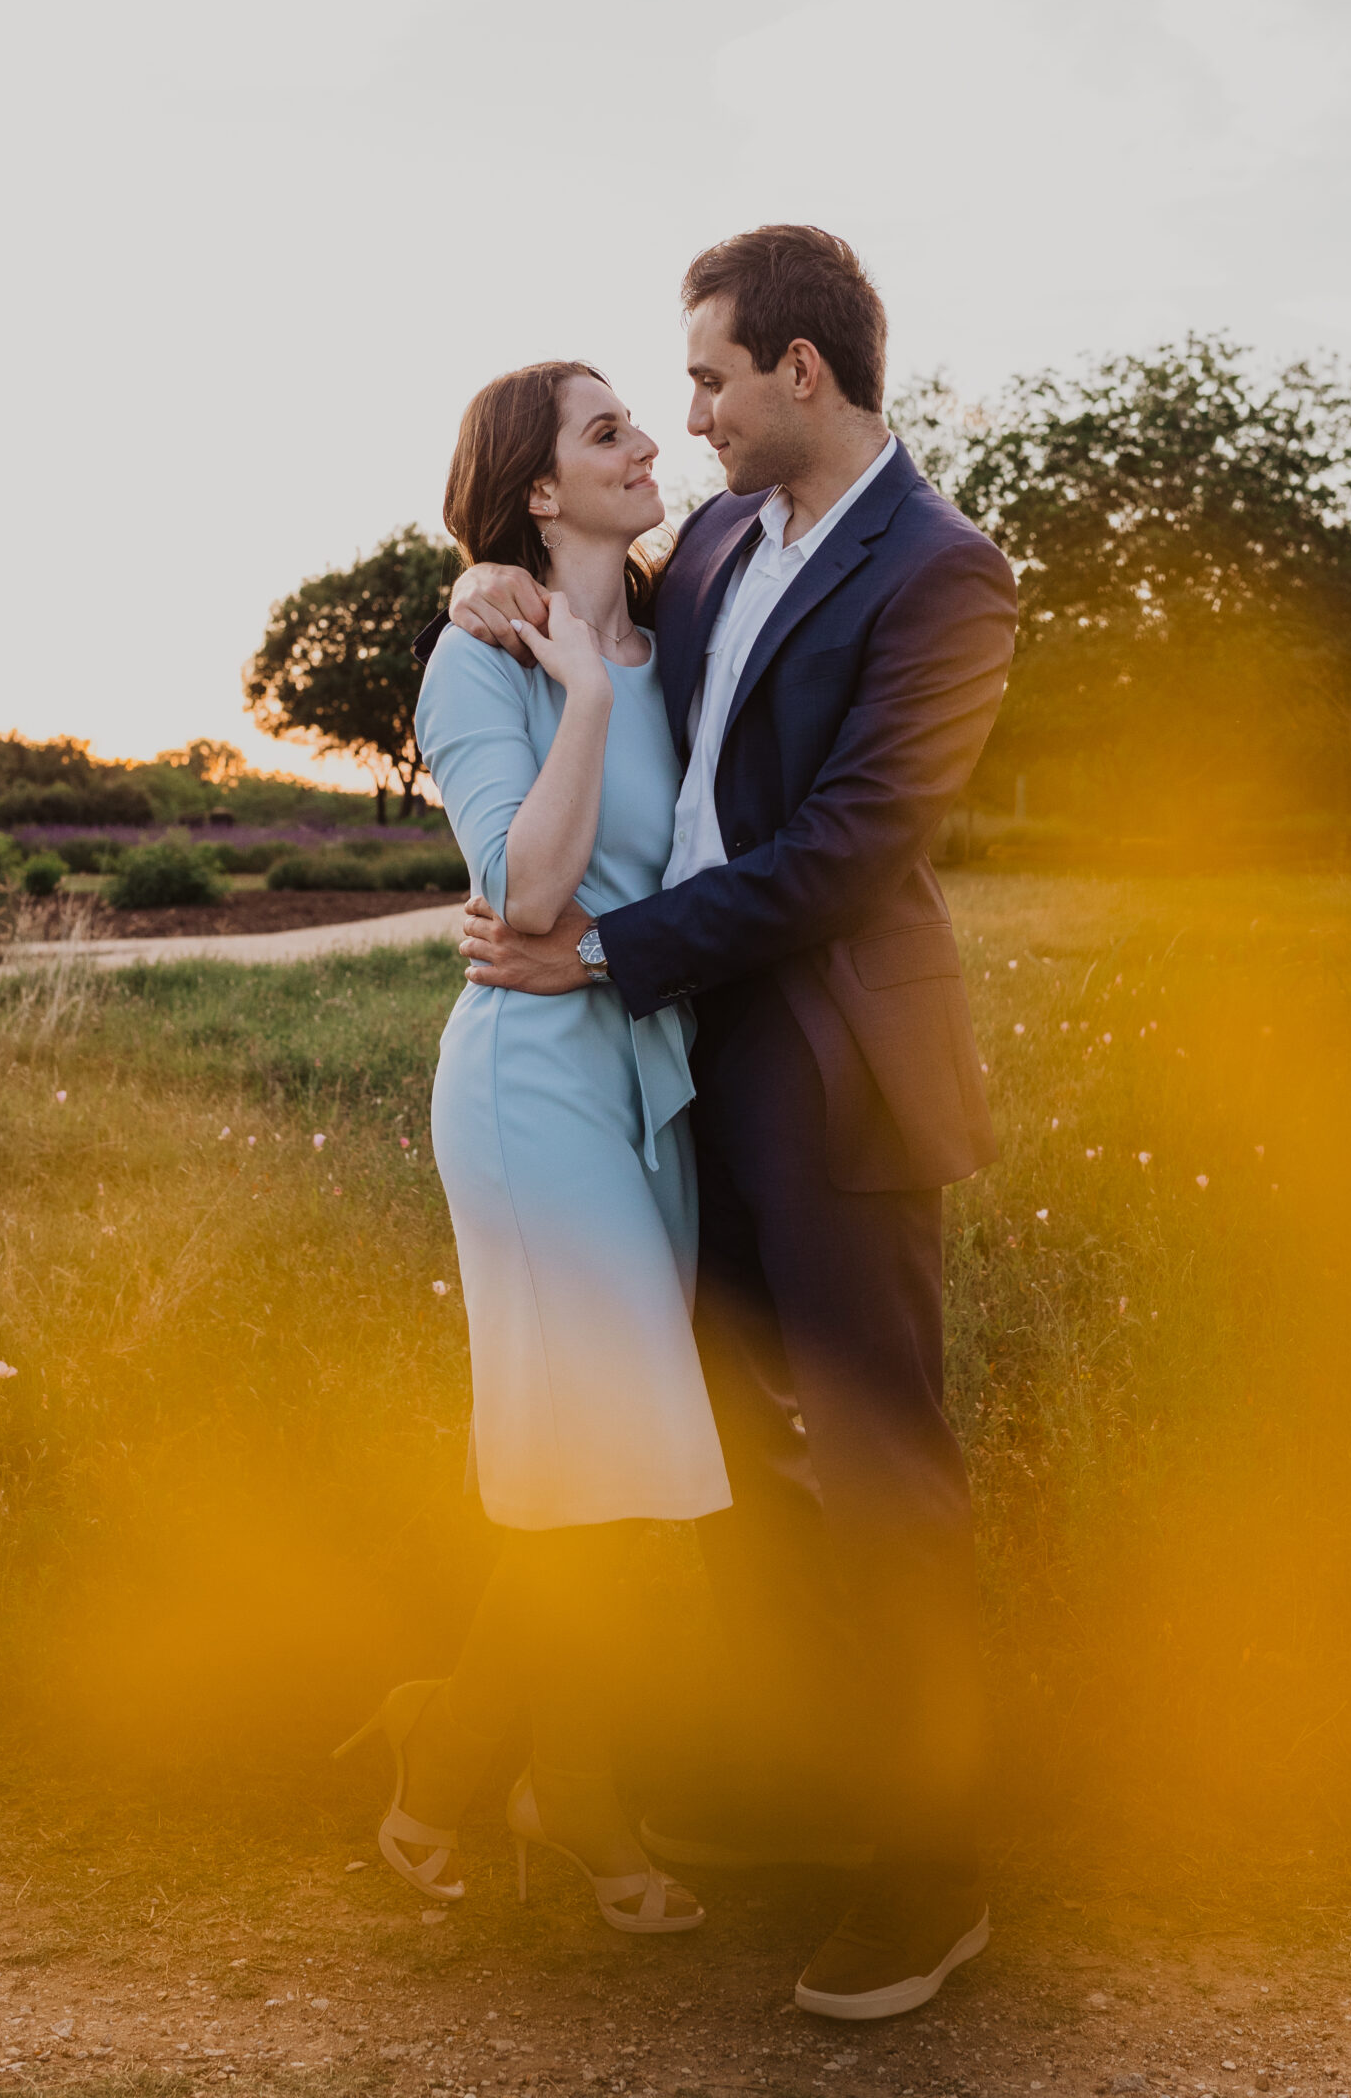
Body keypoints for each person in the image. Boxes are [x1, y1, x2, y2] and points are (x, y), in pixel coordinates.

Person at [436, 226, 1019, 2020]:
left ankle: (937, 1876)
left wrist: (607, 954)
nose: (685, 415)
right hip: (683, 1083)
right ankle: (798, 1800)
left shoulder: (945, 576)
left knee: (877, 1473)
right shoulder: (713, 558)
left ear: (802, 374)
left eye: (704, 379)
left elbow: (852, 850)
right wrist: (481, 591)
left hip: (833, 1074)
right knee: (743, 1477)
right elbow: (567, 618)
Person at [335, 359, 731, 1937]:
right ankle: (487, 1766)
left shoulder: (686, 627)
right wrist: (580, 684)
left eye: (646, 417)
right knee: (609, 1461)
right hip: (533, 1084)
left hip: (654, 1079)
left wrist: (612, 651)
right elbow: (532, 889)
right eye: (608, 430)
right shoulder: (481, 656)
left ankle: (521, 1768)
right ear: (540, 492)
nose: (652, 445)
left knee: (618, 1474)